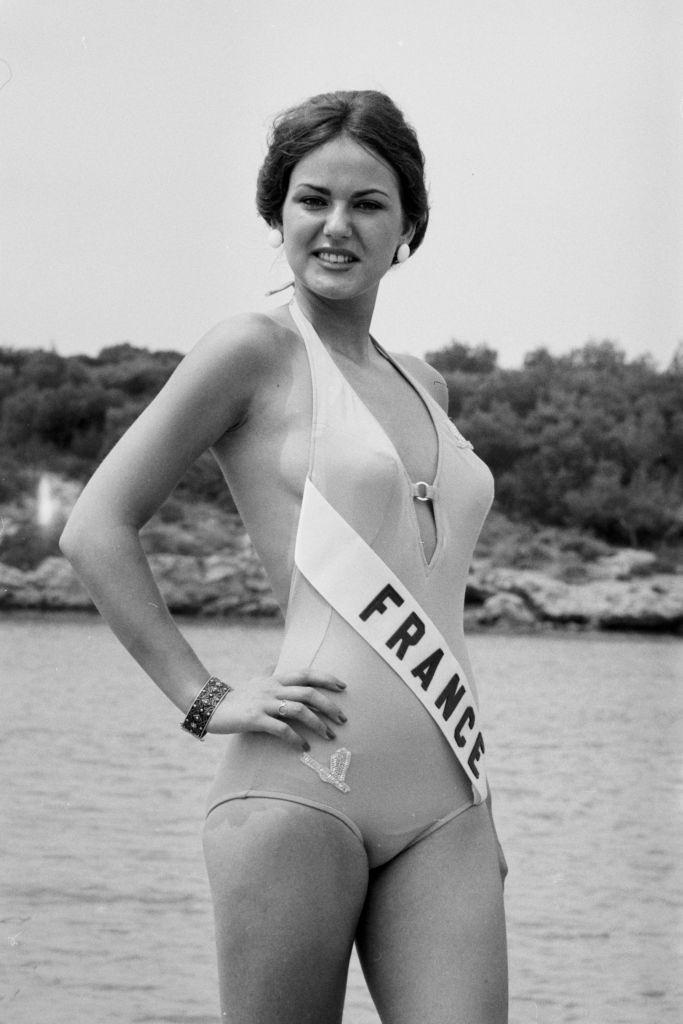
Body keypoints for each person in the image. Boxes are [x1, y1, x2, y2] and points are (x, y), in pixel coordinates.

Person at [61, 90, 508, 1024]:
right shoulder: (251, 351)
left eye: (368, 204)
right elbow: (95, 525)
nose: (336, 227)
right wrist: (203, 697)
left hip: (447, 808)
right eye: (312, 200)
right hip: (300, 792)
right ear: (278, 211)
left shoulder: (424, 382)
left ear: (409, 225)